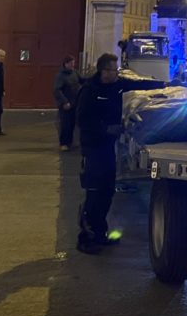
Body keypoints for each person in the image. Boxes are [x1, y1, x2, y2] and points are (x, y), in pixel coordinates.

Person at [75, 52, 166, 253]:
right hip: (93, 148)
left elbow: (139, 85)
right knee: (94, 192)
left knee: (107, 191)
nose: (116, 73)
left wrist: (164, 85)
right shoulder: (90, 90)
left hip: (107, 147)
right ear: (103, 71)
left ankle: (100, 233)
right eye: (113, 70)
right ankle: (85, 238)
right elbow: (82, 120)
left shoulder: (117, 86)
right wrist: (105, 129)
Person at [52, 55, 81, 151]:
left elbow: (82, 80)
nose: (73, 65)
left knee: (72, 123)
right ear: (66, 64)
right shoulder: (60, 76)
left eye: (74, 63)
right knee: (65, 124)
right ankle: (63, 143)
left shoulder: (75, 72)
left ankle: (69, 142)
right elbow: (57, 90)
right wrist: (64, 101)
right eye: (71, 63)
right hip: (66, 103)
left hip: (74, 102)